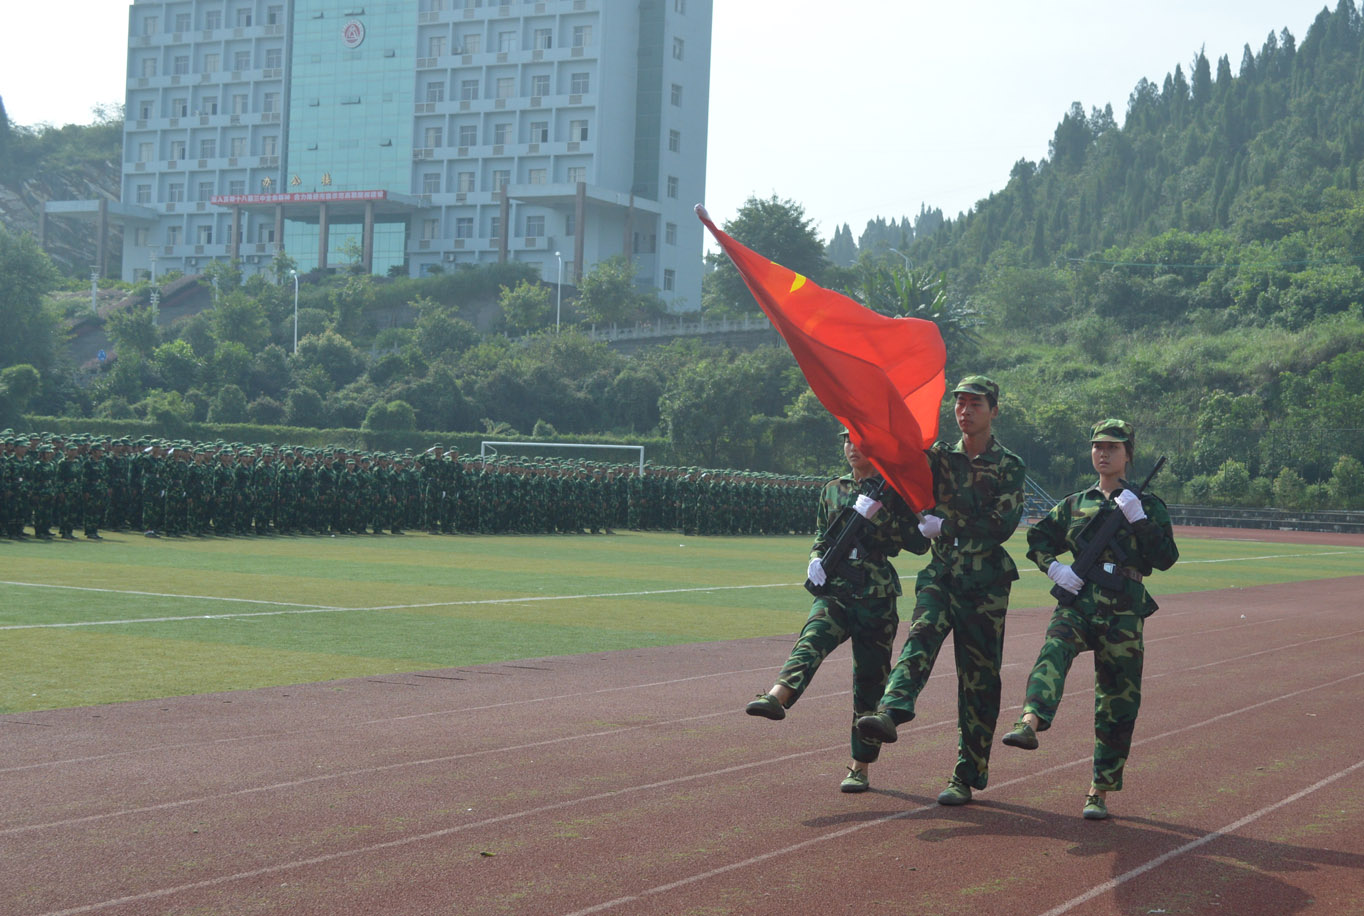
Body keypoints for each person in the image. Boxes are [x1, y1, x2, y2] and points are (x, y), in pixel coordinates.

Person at [855, 375, 1027, 806]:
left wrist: (946, 525)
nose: (964, 410)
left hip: (985, 583)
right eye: (959, 403)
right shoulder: (935, 459)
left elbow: (1000, 524)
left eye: (975, 404)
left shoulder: (1009, 465)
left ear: (994, 410)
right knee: (920, 637)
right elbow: (905, 489)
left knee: (979, 681)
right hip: (943, 572)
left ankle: (966, 776)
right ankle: (891, 710)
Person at [1000, 418, 1179, 820]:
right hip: (1078, 601)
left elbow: (1165, 559)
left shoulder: (1147, 505)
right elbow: (1038, 539)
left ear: (1128, 455)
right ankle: (1030, 720)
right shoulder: (1074, 503)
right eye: (1098, 446)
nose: (1103, 452)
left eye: (1113, 447)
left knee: (1117, 702)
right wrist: (1054, 568)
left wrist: (1140, 521)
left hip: (1125, 610)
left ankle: (1099, 788)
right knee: (1054, 649)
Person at [744, 429, 917, 793]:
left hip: (876, 596)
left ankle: (859, 768)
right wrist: (814, 560)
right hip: (836, 587)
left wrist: (880, 517)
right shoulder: (832, 489)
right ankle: (777, 696)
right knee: (812, 637)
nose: (852, 447)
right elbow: (823, 535)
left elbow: (913, 543)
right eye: (847, 440)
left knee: (870, 683)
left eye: (860, 441)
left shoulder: (893, 489)